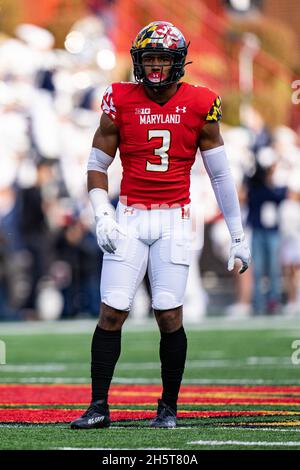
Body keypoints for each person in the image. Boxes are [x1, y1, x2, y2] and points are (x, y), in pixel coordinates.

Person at [70, 21, 251, 430]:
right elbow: (97, 166)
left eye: (162, 59)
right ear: (137, 60)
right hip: (130, 216)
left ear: (177, 62)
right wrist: (101, 213)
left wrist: (238, 236)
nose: (154, 67)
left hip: (174, 218)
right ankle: (98, 405)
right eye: (148, 58)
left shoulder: (201, 102)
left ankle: (167, 407)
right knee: (112, 310)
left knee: (169, 315)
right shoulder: (119, 98)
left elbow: (221, 176)